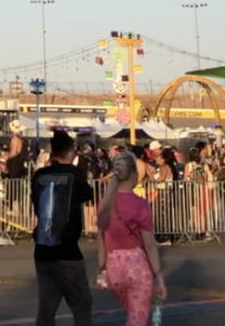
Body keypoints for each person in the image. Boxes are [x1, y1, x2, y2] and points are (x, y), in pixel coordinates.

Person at [31, 128, 94, 325]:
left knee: (46, 307)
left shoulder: (39, 176)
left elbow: (36, 203)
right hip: (67, 248)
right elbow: (87, 195)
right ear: (71, 151)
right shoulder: (75, 174)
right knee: (82, 304)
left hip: (43, 246)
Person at [97, 151, 166, 325]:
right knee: (137, 317)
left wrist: (102, 270)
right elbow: (149, 245)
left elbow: (101, 240)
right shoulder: (141, 204)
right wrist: (158, 276)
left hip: (113, 265)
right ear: (134, 175)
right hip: (136, 264)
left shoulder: (104, 203)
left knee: (131, 311)